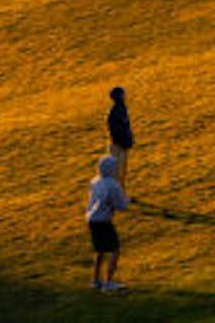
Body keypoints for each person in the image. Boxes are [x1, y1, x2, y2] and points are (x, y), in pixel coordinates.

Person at [84, 153, 131, 293]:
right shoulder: (113, 185)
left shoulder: (95, 181)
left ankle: (95, 280)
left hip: (91, 219)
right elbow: (121, 205)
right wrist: (127, 200)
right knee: (115, 250)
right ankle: (108, 282)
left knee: (100, 250)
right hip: (104, 220)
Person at [105, 86, 134, 184]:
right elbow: (116, 129)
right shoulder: (116, 111)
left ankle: (121, 192)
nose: (124, 96)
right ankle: (116, 193)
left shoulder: (121, 108)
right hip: (118, 144)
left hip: (122, 143)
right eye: (122, 94)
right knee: (117, 170)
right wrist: (122, 141)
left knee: (122, 171)